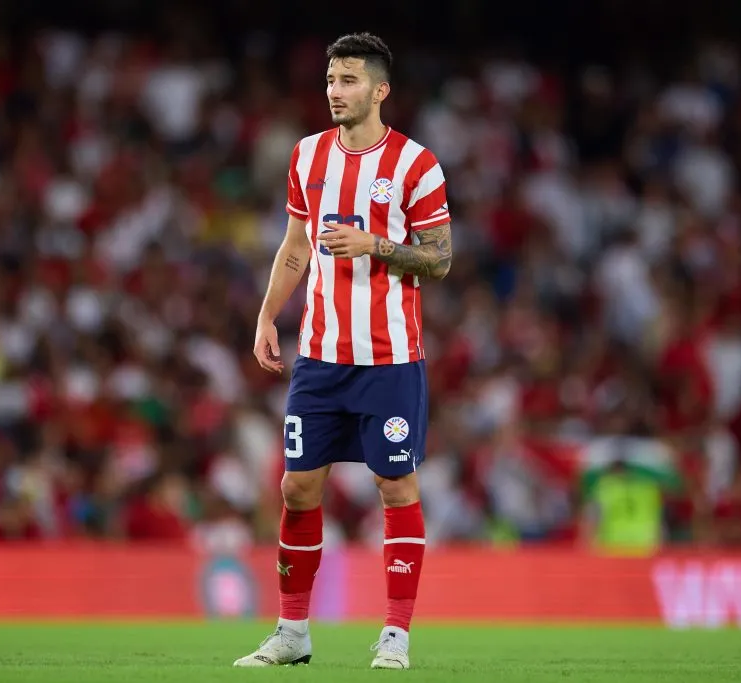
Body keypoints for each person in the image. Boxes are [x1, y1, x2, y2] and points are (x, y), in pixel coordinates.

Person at [234, 32, 452, 670]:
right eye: (331, 80)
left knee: (395, 484)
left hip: (389, 357)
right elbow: (296, 245)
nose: (336, 92)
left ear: (380, 90)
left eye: (350, 80)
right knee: (297, 487)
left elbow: (440, 260)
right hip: (322, 358)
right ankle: (292, 633)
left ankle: (395, 636)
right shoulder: (307, 156)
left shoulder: (416, 164)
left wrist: (377, 247)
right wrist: (267, 316)